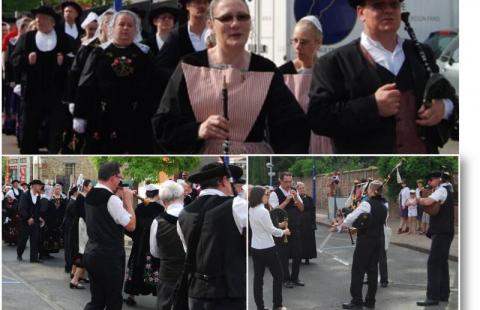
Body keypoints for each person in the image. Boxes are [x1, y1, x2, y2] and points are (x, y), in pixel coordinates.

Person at [152, 0, 310, 154]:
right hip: (205, 157)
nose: (235, 24)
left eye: (242, 17)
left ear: (250, 23)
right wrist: (198, 130)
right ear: (211, 25)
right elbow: (163, 124)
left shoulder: (265, 69)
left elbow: (293, 126)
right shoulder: (190, 65)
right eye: (226, 18)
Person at [308, 0, 458, 154]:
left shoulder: (422, 53)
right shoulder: (334, 63)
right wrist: (372, 106)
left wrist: (444, 107)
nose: (388, 10)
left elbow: (451, 98)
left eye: (394, 5)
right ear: (361, 13)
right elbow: (318, 118)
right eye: (378, 5)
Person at [73, 10, 156, 154]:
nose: (125, 28)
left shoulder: (144, 53)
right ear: (113, 27)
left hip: (136, 117)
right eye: (121, 24)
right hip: (103, 116)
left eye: (130, 25)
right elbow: (86, 83)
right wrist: (80, 115)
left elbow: (154, 84)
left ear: (136, 29)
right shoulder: (99, 53)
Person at [176, 162, 247, 309]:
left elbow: (189, 251)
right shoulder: (237, 205)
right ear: (223, 180)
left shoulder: (183, 214)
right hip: (229, 293)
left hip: (196, 294)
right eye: (229, 180)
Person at [11, 6, 73, 153]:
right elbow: (14, 60)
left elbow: (74, 63)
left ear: (52, 22)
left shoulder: (64, 39)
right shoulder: (27, 38)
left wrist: (63, 62)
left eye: (43, 18)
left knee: (55, 129)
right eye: (37, 18)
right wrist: (26, 59)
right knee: (29, 129)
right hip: (32, 93)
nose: (39, 21)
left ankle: (53, 156)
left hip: (56, 93)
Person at [83, 162, 136, 310]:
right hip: (109, 257)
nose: (120, 181)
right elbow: (131, 226)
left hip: (92, 252)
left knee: (97, 301)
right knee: (113, 301)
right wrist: (128, 202)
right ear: (113, 178)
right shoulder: (111, 199)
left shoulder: (89, 195)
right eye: (120, 177)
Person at [278, 16, 332, 154]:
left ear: (318, 43)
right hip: (291, 140)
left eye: (303, 42)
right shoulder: (282, 73)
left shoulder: (327, 72)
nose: (297, 46)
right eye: (295, 41)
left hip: (320, 139)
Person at [333, 180, 388, 309]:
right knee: (373, 271)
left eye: (368, 189)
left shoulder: (366, 204)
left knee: (358, 270)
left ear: (371, 190)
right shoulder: (385, 205)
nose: (366, 191)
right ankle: (370, 301)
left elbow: (350, 218)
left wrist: (341, 225)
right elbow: (381, 220)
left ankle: (357, 301)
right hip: (378, 239)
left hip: (366, 240)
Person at [416, 171, 455, 306]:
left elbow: (428, 201)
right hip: (447, 231)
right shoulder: (449, 188)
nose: (429, 183)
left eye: (431, 180)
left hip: (441, 232)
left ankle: (432, 297)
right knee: (442, 263)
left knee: (433, 264)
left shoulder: (442, 190)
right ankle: (443, 294)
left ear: (439, 179)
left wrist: (418, 200)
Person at [123, 184, 164, 306]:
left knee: (136, 268)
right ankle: (160, 301)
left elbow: (132, 226)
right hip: (153, 245)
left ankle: (131, 296)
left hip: (139, 245)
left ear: (146, 194)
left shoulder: (139, 208)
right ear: (157, 194)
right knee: (154, 268)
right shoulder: (160, 209)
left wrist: (137, 237)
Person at [250, 186, 290, 310]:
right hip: (267, 248)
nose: (268, 196)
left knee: (258, 279)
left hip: (255, 247)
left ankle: (260, 307)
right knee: (278, 276)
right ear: (259, 196)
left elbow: (265, 226)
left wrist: (278, 226)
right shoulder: (263, 211)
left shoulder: (251, 209)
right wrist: (284, 231)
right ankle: (277, 305)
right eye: (266, 194)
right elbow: (271, 230)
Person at [149, 180, 186, 310]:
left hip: (167, 273)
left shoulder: (157, 222)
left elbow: (154, 252)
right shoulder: (192, 217)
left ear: (163, 201)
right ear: (182, 196)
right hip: (190, 275)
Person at [268, 172, 304, 288]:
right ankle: (285, 279)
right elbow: (274, 211)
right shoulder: (275, 193)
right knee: (283, 255)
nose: (289, 184)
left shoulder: (294, 190)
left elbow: (302, 208)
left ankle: (295, 277)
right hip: (282, 228)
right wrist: (286, 201)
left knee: (297, 253)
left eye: (290, 181)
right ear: (280, 181)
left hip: (295, 226)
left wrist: (296, 199)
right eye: (286, 182)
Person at [156, 0, 211, 70]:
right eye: (198, 2)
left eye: (205, 3)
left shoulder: (215, 31)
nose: (202, 6)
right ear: (187, 6)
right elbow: (162, 64)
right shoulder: (177, 35)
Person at [17, 179, 44, 262]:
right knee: (23, 239)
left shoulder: (38, 196)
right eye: (39, 186)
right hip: (25, 221)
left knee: (34, 239)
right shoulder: (25, 195)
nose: (41, 187)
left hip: (35, 221)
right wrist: (28, 218)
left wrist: (39, 217)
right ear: (34, 186)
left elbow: (37, 209)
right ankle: (19, 254)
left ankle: (34, 258)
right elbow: (21, 209)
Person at [296, 182, 317, 264]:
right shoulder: (295, 198)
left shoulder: (309, 199)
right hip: (298, 223)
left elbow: (313, 211)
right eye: (300, 188)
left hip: (308, 223)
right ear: (297, 189)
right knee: (299, 241)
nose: (302, 189)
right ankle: (299, 257)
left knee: (308, 241)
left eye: (303, 188)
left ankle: (307, 257)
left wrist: (313, 224)